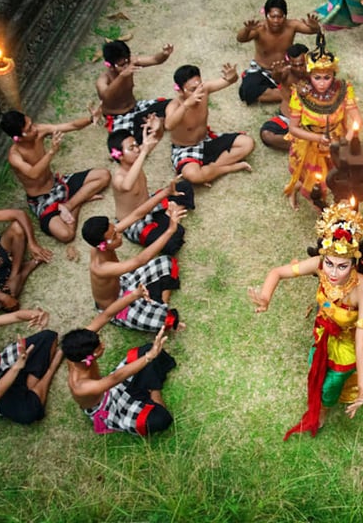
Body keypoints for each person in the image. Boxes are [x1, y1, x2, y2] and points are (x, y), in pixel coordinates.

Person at [249, 202, 363, 440]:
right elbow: (278, 272)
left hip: (350, 338)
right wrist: (265, 297)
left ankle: (322, 410)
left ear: (354, 263)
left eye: (342, 266)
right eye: (330, 264)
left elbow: (361, 343)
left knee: (331, 385)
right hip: (325, 328)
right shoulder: (321, 266)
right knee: (315, 364)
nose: (333, 273)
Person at [62, 303, 176, 436]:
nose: (103, 345)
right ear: (89, 357)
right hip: (110, 407)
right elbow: (115, 378)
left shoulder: (77, 349)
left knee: (148, 350)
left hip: (109, 385)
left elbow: (106, 315)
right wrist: (149, 357)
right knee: (160, 419)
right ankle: (153, 392)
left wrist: (135, 294)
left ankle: (150, 388)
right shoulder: (80, 386)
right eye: (99, 347)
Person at [0, 110, 111, 243]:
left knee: (104, 175)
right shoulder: (15, 156)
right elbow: (33, 174)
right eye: (29, 128)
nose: (34, 128)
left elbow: (71, 126)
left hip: (58, 184)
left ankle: (68, 205)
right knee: (66, 235)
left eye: (32, 123)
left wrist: (90, 118)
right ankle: (79, 201)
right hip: (42, 199)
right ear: (18, 138)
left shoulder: (39, 131)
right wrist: (51, 152)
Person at [283, 33, 362, 209]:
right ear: (309, 75)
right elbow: (293, 128)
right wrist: (318, 139)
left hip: (337, 140)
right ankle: (324, 214)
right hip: (310, 142)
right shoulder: (299, 94)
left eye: (327, 77)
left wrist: (346, 141)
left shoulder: (344, 89)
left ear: (333, 75)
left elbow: (357, 119)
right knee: (314, 183)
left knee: (337, 176)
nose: (322, 83)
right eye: (317, 78)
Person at [82, 211, 184, 332]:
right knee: (166, 320)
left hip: (123, 283)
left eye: (115, 230)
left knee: (166, 262)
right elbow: (139, 261)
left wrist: (167, 192)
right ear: (102, 245)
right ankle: (156, 305)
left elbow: (137, 214)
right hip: (116, 306)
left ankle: (158, 302)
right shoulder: (100, 267)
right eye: (114, 237)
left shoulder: (107, 236)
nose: (119, 235)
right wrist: (170, 230)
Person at [108, 124, 194, 255]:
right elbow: (127, 186)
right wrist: (143, 152)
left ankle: (168, 215)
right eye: (131, 148)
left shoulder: (136, 157)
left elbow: (155, 139)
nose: (137, 149)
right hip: (133, 222)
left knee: (185, 187)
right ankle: (169, 216)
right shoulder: (119, 178)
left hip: (150, 204)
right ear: (119, 156)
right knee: (173, 241)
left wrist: (157, 128)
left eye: (137, 145)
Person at [164, 63, 254, 185]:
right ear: (179, 90)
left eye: (199, 86)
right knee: (193, 175)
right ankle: (230, 167)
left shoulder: (204, 89)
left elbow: (229, 81)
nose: (198, 93)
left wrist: (232, 76)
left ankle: (210, 170)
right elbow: (169, 125)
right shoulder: (174, 105)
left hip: (206, 140)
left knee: (247, 143)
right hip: (186, 148)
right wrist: (186, 105)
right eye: (192, 90)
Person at [236, 0, 320, 105]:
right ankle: (290, 94)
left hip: (287, 70)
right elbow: (241, 39)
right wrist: (247, 30)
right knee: (248, 90)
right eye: (272, 16)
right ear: (266, 15)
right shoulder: (260, 28)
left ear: (285, 16)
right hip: (262, 70)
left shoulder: (292, 25)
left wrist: (315, 27)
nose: (276, 21)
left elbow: (312, 30)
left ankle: (289, 92)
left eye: (280, 17)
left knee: (315, 78)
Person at [96, 40, 174, 139]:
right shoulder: (103, 80)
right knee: (128, 142)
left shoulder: (130, 63)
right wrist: (122, 76)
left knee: (172, 105)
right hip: (118, 116)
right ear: (110, 66)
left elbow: (155, 59)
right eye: (121, 65)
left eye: (127, 62)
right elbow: (106, 97)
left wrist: (164, 54)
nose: (126, 66)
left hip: (136, 107)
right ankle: (151, 124)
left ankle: (152, 123)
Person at [257, 43, 310, 151]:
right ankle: (305, 145)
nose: (299, 69)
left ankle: (308, 141)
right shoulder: (285, 73)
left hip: (310, 120)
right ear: (289, 63)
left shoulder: (317, 74)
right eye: (295, 65)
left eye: (302, 65)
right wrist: (276, 73)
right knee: (267, 135)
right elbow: (277, 78)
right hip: (287, 118)